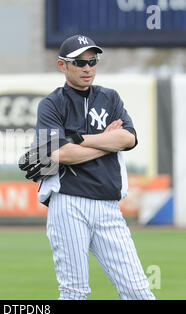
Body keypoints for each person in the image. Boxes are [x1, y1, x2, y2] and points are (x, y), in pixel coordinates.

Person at [35, 35, 155, 300]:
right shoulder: (52, 104)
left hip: (108, 206)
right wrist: (107, 141)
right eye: (79, 62)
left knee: (138, 290)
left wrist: (79, 138)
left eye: (92, 61)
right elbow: (61, 154)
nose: (87, 68)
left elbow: (128, 138)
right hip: (68, 203)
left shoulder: (110, 98)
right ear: (62, 65)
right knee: (74, 292)